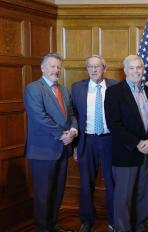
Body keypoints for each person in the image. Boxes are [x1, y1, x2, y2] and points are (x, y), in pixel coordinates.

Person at [104, 55, 148, 232]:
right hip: (126, 153)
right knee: (123, 198)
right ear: (125, 70)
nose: (136, 71)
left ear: (143, 69)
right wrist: (137, 143)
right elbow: (114, 124)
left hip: (147, 153)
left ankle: (141, 227)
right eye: (132, 68)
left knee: (144, 195)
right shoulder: (114, 93)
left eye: (139, 67)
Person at [23, 53, 76, 232]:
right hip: (42, 151)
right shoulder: (33, 89)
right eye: (52, 66)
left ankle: (53, 225)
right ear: (43, 68)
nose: (56, 70)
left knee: (57, 192)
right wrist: (62, 134)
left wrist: (73, 131)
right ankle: (42, 228)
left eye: (58, 67)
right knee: (43, 195)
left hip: (63, 149)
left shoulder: (64, 89)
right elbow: (39, 118)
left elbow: (71, 115)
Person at [71, 55, 117, 232]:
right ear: (87, 68)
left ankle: (113, 220)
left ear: (104, 68)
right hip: (86, 140)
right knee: (85, 183)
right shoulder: (77, 88)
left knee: (112, 183)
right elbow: (73, 115)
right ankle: (87, 219)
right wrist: (75, 144)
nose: (94, 70)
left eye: (97, 66)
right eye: (90, 66)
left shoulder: (115, 87)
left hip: (109, 141)